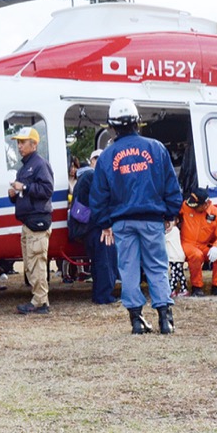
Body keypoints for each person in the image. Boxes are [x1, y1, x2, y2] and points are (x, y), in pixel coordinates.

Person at [89, 98, 182, 335]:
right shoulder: (156, 148)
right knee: (157, 266)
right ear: (137, 122)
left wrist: (105, 222)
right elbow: (171, 184)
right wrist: (171, 212)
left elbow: (99, 195)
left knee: (128, 268)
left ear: (112, 126)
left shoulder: (107, 157)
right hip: (152, 219)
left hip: (122, 221)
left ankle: (136, 320)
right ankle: (165, 319)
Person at [9, 127, 54, 315]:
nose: (19, 146)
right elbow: (26, 192)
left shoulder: (39, 164)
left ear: (34, 144)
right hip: (29, 221)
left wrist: (24, 187)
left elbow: (47, 190)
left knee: (36, 262)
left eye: (23, 142)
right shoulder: (26, 166)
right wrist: (14, 194)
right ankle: (38, 299)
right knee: (30, 263)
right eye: (18, 142)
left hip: (37, 221)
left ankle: (41, 301)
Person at [73, 149, 118, 304]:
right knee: (105, 262)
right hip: (98, 228)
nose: (99, 161)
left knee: (99, 263)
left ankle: (100, 294)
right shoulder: (93, 177)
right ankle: (104, 296)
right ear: (91, 161)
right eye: (96, 158)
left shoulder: (84, 177)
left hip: (88, 228)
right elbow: (103, 202)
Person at [180, 187, 217, 297]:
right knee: (196, 255)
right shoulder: (185, 206)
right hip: (187, 243)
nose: (193, 207)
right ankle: (197, 287)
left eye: (196, 206)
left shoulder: (215, 213)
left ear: (205, 204)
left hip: (204, 245)